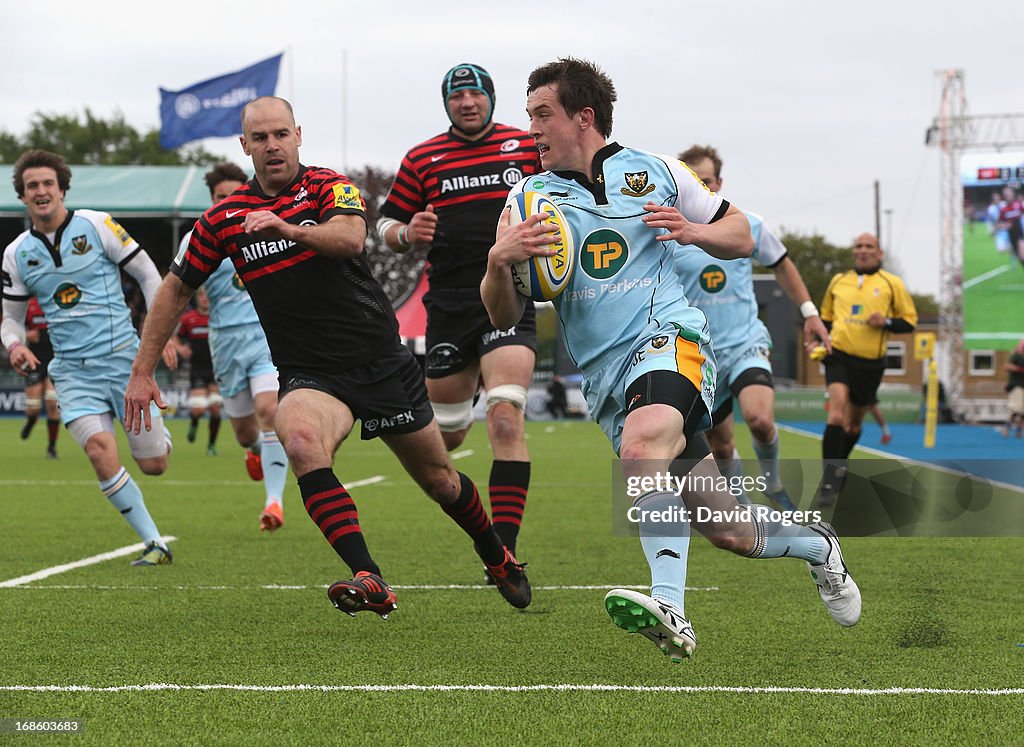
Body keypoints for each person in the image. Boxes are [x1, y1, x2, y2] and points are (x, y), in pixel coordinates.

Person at [481, 58, 861, 663]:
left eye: (542, 115)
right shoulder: (528, 196)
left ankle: (672, 610)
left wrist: (692, 230)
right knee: (730, 530)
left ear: (584, 117)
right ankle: (819, 547)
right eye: (529, 117)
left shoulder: (657, 170)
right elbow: (501, 316)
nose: (532, 129)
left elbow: (742, 234)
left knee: (641, 448)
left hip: (671, 340)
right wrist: (499, 261)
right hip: (607, 381)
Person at [125, 96, 530, 617]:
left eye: (280, 134)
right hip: (311, 375)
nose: (272, 146)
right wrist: (142, 373)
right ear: (244, 145)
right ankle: (369, 576)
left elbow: (350, 238)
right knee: (298, 440)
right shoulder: (224, 217)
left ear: (297, 135)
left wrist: (287, 228)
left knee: (440, 481)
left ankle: (496, 554)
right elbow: (174, 289)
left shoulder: (326, 185)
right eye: (260, 137)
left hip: (380, 361)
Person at [377, 64, 543, 568]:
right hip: (448, 303)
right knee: (444, 436)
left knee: (505, 417)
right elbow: (384, 221)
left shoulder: (525, 146)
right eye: (457, 96)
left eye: (475, 94)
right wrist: (406, 233)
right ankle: (470, 501)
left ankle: (504, 550)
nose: (467, 102)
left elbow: (568, 197)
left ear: (491, 99)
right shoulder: (424, 157)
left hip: (509, 294)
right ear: (446, 104)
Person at [1, 149, 174, 565]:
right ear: (23, 197)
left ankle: (158, 438)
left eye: (47, 184)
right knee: (99, 450)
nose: (40, 192)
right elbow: (10, 318)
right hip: (73, 373)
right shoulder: (17, 254)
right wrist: (16, 345)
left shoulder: (97, 225)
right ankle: (154, 542)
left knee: (153, 465)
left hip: (126, 364)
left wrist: (160, 333)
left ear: (62, 188)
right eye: (31, 187)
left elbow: (150, 275)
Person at [675, 145, 831, 511]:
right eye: (694, 179)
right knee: (722, 445)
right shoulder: (672, 233)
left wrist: (810, 312)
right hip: (701, 353)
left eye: (708, 180)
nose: (702, 185)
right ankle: (744, 511)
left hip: (745, 343)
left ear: (719, 182)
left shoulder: (746, 224)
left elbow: (781, 263)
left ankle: (773, 482)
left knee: (760, 420)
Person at [175, 161, 289, 531]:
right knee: (244, 432)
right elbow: (175, 289)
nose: (226, 201)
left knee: (269, 410)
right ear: (211, 200)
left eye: (232, 195)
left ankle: (274, 502)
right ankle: (256, 452)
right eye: (219, 197)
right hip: (223, 342)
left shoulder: (267, 229)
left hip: (263, 336)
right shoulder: (200, 237)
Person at [816, 232, 917, 505]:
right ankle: (828, 481)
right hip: (838, 355)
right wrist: (816, 342)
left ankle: (841, 464)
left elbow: (909, 322)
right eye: (858, 246)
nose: (863, 250)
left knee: (853, 424)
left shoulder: (891, 283)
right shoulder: (839, 280)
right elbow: (824, 318)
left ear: (879, 253)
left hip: (870, 362)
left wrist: (885, 321)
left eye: (868, 246)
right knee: (836, 415)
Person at [174, 287, 222, 455]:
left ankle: (211, 445)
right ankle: (194, 422)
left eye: (207, 296)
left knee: (215, 410)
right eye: (201, 295)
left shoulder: (218, 317)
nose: (204, 299)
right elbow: (176, 336)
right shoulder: (189, 319)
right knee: (198, 410)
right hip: (197, 370)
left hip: (216, 370)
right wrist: (181, 348)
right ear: (197, 298)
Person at [19, 296, 60, 458]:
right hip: (34, 360)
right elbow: (12, 323)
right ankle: (31, 421)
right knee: (33, 407)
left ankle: (51, 448)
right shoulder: (28, 304)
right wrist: (26, 334)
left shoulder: (56, 300)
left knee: (52, 401)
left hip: (55, 359)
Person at [1001, 338, 1024, 437]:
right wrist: (1019, 369)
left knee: (1022, 410)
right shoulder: (1016, 356)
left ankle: (1019, 431)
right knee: (1017, 409)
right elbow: (1006, 366)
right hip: (1016, 386)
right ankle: (1006, 428)